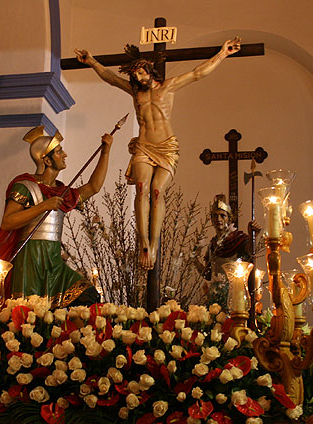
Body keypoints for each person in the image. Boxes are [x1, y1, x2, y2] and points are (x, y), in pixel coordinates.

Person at [75, 37, 242, 270]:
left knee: (156, 192)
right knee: (142, 189)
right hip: (144, 145)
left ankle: (154, 244)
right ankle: (142, 242)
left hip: (166, 146)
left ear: (149, 71)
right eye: (134, 76)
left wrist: (223, 53)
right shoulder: (135, 93)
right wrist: (92, 61)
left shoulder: (168, 86)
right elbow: (112, 78)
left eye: (141, 74)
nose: (137, 79)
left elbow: (197, 73)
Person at [0, 126, 114, 308]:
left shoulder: (61, 192)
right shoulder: (25, 186)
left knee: (88, 296)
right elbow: (8, 222)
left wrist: (106, 151)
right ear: (46, 160)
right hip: (31, 257)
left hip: (53, 259)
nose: (64, 155)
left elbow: (93, 187)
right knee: (29, 312)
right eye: (59, 151)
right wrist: (43, 206)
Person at [193, 194, 259, 310]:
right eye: (215, 216)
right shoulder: (212, 245)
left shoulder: (237, 239)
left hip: (234, 296)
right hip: (214, 298)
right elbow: (208, 275)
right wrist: (194, 260)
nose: (218, 220)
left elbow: (250, 252)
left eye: (222, 216)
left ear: (229, 218)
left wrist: (253, 236)